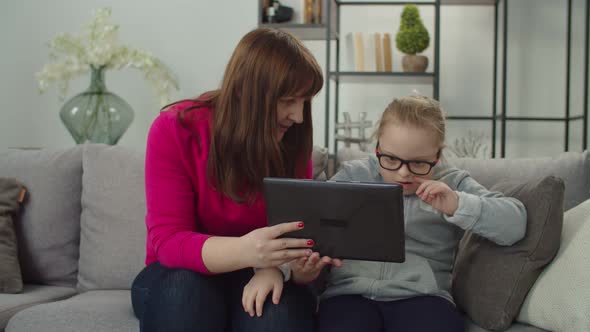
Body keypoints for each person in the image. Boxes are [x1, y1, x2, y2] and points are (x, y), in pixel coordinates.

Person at [131, 28, 342, 332]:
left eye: (305, 102)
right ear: (245, 91)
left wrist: (277, 269)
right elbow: (169, 240)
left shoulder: (293, 139)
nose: (297, 116)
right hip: (181, 274)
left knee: (275, 317)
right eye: (288, 101)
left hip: (262, 271)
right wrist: (249, 253)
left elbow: (295, 234)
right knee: (183, 294)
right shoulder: (175, 129)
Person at [317, 95, 527, 332]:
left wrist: (457, 204)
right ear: (377, 148)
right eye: (391, 159)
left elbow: (515, 224)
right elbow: (313, 221)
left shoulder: (453, 182)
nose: (403, 173)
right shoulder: (354, 175)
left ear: (437, 156)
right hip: (349, 294)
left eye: (418, 163)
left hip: (424, 297)